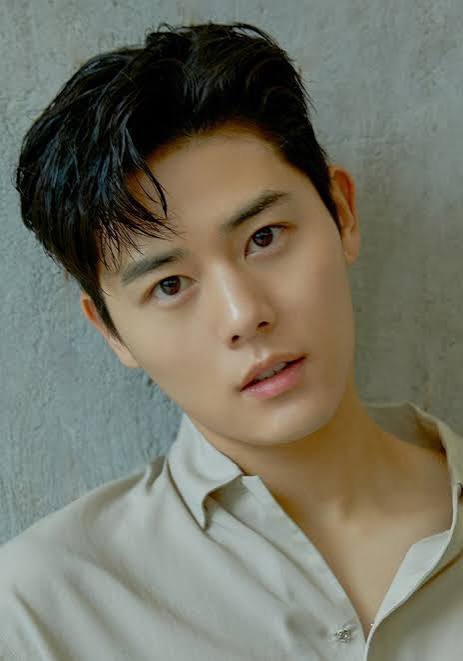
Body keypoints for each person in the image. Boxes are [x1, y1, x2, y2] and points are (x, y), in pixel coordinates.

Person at [2, 20, 462, 660]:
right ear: (111, 330)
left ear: (342, 214)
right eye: (170, 285)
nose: (244, 314)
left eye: (264, 238)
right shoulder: (41, 610)